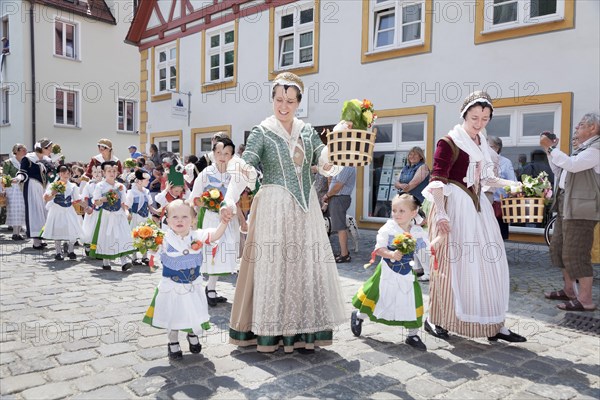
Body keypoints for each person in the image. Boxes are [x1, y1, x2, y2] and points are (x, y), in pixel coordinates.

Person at [222, 71, 346, 353]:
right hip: (274, 207)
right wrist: (230, 199)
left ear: (298, 102)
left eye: (290, 100)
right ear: (273, 100)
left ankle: (303, 331)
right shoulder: (262, 131)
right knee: (274, 267)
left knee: (305, 266)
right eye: (279, 99)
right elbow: (245, 165)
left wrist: (337, 141)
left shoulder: (307, 131)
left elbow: (324, 160)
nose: (284, 105)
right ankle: (270, 332)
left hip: (306, 209)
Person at [422, 91, 526, 343]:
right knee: (451, 267)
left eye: (485, 118)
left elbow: (486, 179)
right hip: (453, 208)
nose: (479, 123)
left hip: (478, 208)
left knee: (490, 265)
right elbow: (437, 180)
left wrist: (511, 185)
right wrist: (442, 214)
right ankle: (437, 319)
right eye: (474, 118)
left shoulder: (482, 143)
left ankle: (493, 324)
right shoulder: (448, 142)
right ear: (464, 115)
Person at [142, 200, 230, 359]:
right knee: (172, 316)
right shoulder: (163, 239)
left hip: (192, 286)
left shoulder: (198, 235)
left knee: (193, 313)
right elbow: (152, 250)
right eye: (174, 217)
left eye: (184, 216)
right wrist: (146, 241)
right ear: (167, 220)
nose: (180, 220)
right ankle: (173, 342)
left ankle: (192, 334)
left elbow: (216, 235)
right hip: (171, 287)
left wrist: (223, 222)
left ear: (193, 219)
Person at [350, 194, 430, 351]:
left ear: (413, 213)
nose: (397, 214)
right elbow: (378, 249)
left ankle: (412, 334)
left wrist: (438, 242)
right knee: (377, 296)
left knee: (412, 299)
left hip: (407, 273)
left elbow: (425, 248)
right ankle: (359, 316)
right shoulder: (388, 228)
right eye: (394, 210)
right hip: (386, 271)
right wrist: (391, 254)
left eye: (402, 211)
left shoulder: (417, 231)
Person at [542, 113, 600, 312]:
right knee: (560, 249)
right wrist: (550, 152)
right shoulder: (583, 149)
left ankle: (585, 300)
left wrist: (551, 148)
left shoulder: (596, 149)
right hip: (567, 206)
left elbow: (573, 166)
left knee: (577, 253)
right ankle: (569, 290)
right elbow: (560, 171)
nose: (576, 128)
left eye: (581, 125)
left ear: (593, 128)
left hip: (582, 210)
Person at [189, 137, 243, 307]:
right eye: (218, 152)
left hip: (228, 220)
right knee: (211, 253)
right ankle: (206, 289)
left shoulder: (234, 175)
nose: (222, 156)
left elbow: (237, 200)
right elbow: (194, 199)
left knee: (222, 254)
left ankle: (211, 287)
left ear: (232, 156)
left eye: (226, 153)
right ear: (213, 153)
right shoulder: (206, 174)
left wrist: (242, 220)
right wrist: (207, 202)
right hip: (210, 219)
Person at [89, 161, 135, 271]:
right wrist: (103, 199)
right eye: (109, 171)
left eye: (114, 171)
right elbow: (95, 202)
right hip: (106, 214)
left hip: (119, 214)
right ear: (104, 173)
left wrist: (127, 213)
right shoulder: (100, 185)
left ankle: (124, 262)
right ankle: (106, 261)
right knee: (106, 237)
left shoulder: (120, 186)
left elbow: (124, 202)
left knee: (123, 236)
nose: (112, 173)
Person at [15, 138, 56, 249]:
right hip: (32, 187)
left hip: (44, 188)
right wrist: (17, 179)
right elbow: (22, 173)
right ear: (43, 148)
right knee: (35, 212)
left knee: (44, 211)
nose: (51, 150)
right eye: (50, 148)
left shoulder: (47, 159)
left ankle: (41, 236)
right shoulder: (28, 159)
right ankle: (36, 241)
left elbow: (51, 174)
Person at [41, 165, 84, 260]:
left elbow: (77, 199)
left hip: (69, 209)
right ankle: (58, 251)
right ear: (59, 174)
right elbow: (46, 198)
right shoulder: (53, 185)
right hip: (57, 209)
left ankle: (71, 250)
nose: (65, 175)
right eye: (63, 173)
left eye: (68, 173)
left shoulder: (73, 186)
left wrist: (87, 207)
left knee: (72, 228)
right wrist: (53, 193)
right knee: (58, 229)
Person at [323, 166, 356, 263]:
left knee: (340, 227)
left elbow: (338, 186)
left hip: (339, 198)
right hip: (337, 197)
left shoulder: (346, 166)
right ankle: (343, 252)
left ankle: (344, 255)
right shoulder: (341, 166)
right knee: (339, 226)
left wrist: (327, 195)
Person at [487, 136, 517, 240]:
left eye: (490, 147)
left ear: (497, 148)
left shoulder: (505, 162)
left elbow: (513, 182)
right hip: (484, 204)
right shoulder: (482, 161)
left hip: (499, 205)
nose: (487, 149)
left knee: (499, 237)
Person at [125, 169, 156, 265]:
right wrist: (127, 213)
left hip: (146, 216)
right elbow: (126, 206)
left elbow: (150, 206)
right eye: (146, 180)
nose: (148, 182)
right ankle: (134, 257)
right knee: (136, 236)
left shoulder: (146, 191)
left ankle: (145, 256)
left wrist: (156, 212)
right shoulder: (131, 192)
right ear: (139, 181)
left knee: (147, 235)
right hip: (136, 217)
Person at [1, 144, 27, 240]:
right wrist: (3, 189)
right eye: (23, 149)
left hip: (22, 187)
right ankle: (15, 233)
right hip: (12, 189)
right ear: (17, 150)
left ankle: (18, 232)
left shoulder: (25, 162)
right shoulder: (8, 162)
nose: (25, 151)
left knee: (22, 210)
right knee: (14, 210)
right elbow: (4, 177)